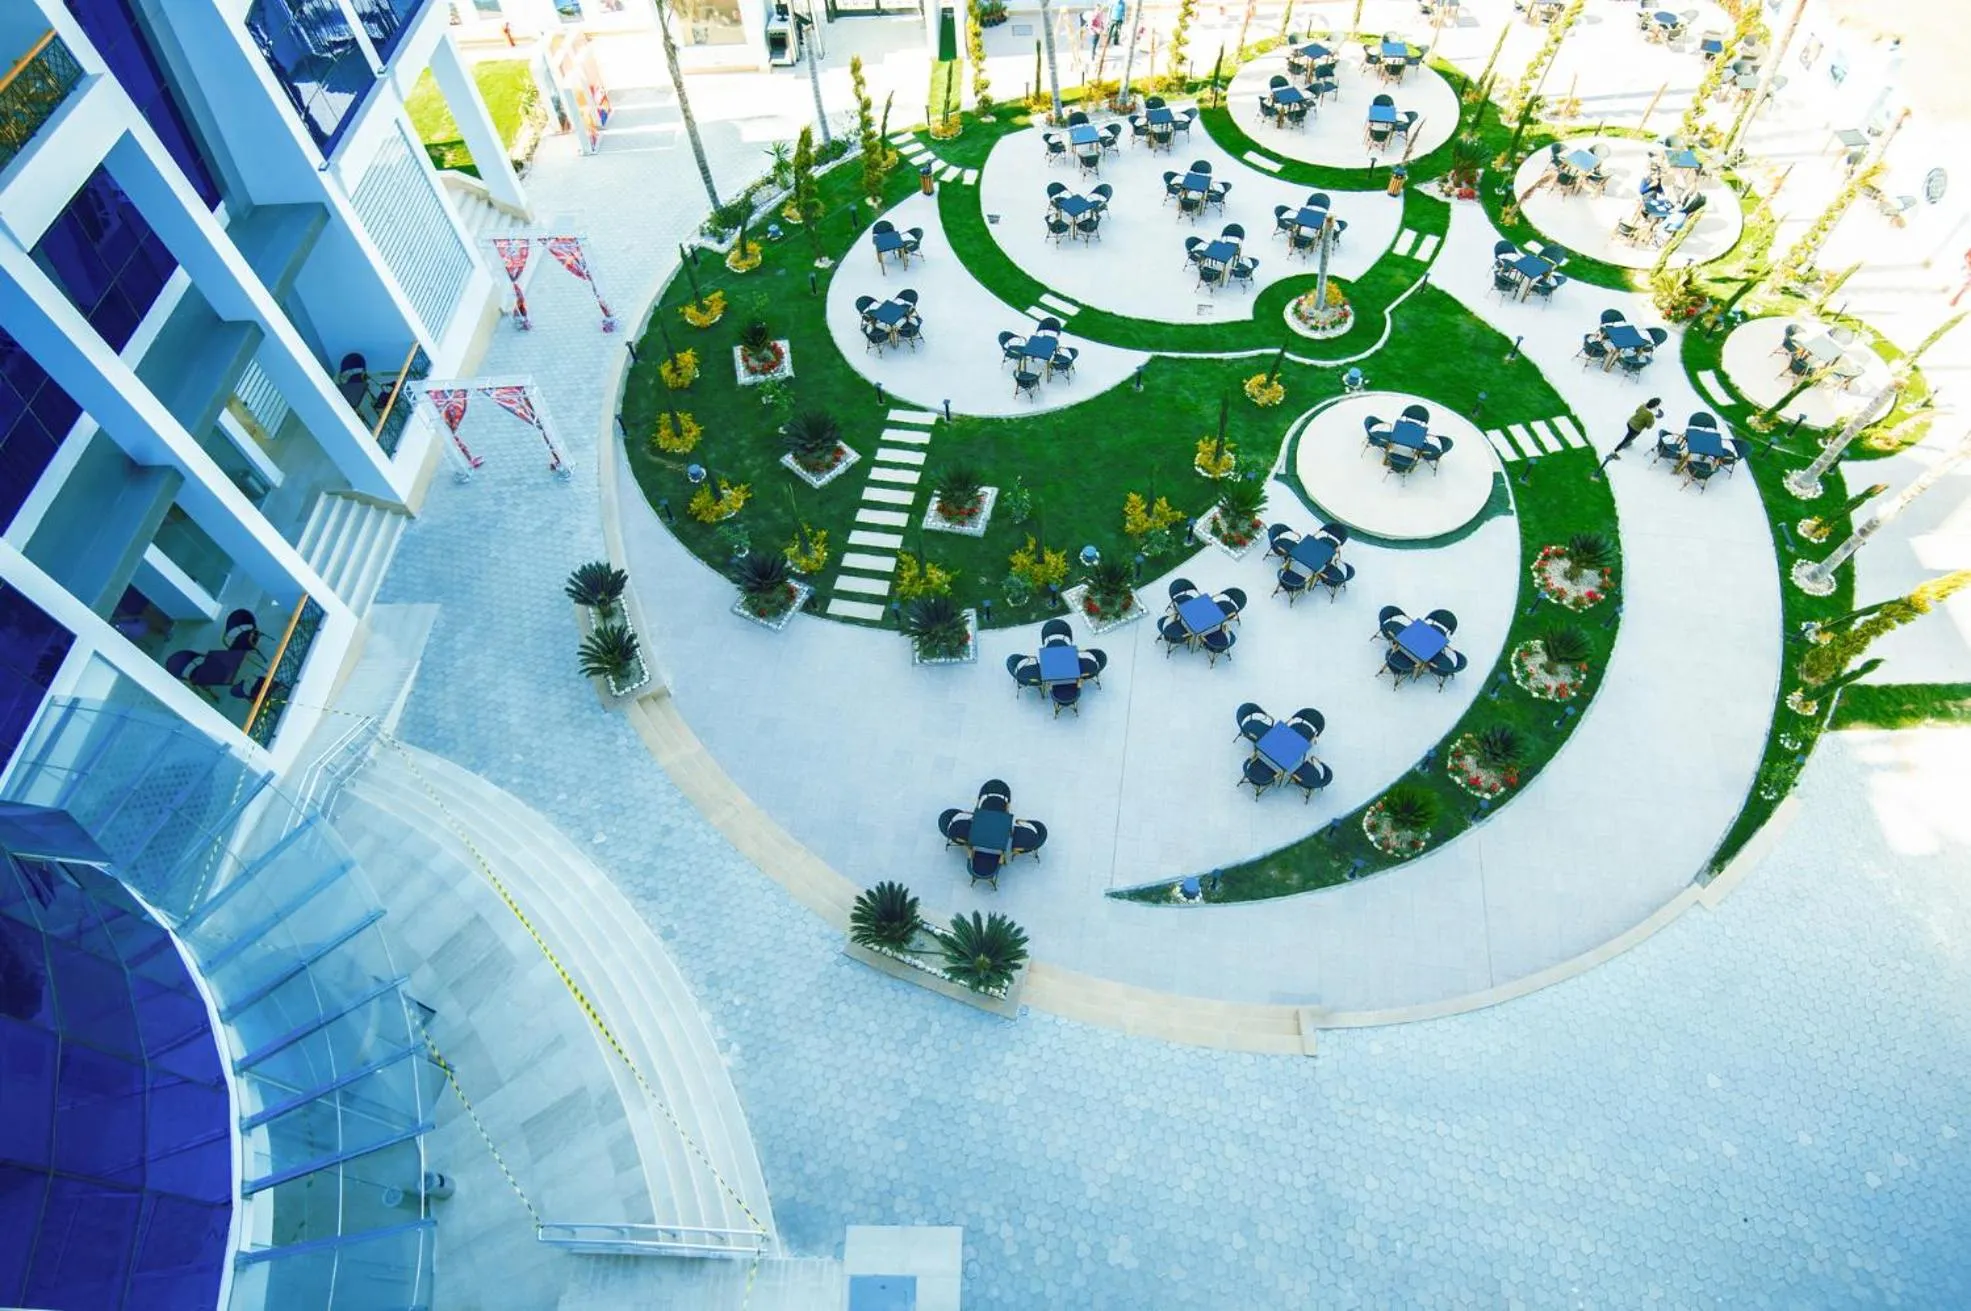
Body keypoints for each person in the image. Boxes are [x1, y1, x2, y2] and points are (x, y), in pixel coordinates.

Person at [1598, 396, 1662, 473]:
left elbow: (1637, 411)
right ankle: (1614, 452)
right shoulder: (1650, 416)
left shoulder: (1643, 406)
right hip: (1635, 429)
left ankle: (1628, 442)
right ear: (1655, 406)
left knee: (1629, 437)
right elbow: (1649, 427)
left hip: (1630, 422)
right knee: (1625, 440)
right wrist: (1652, 419)